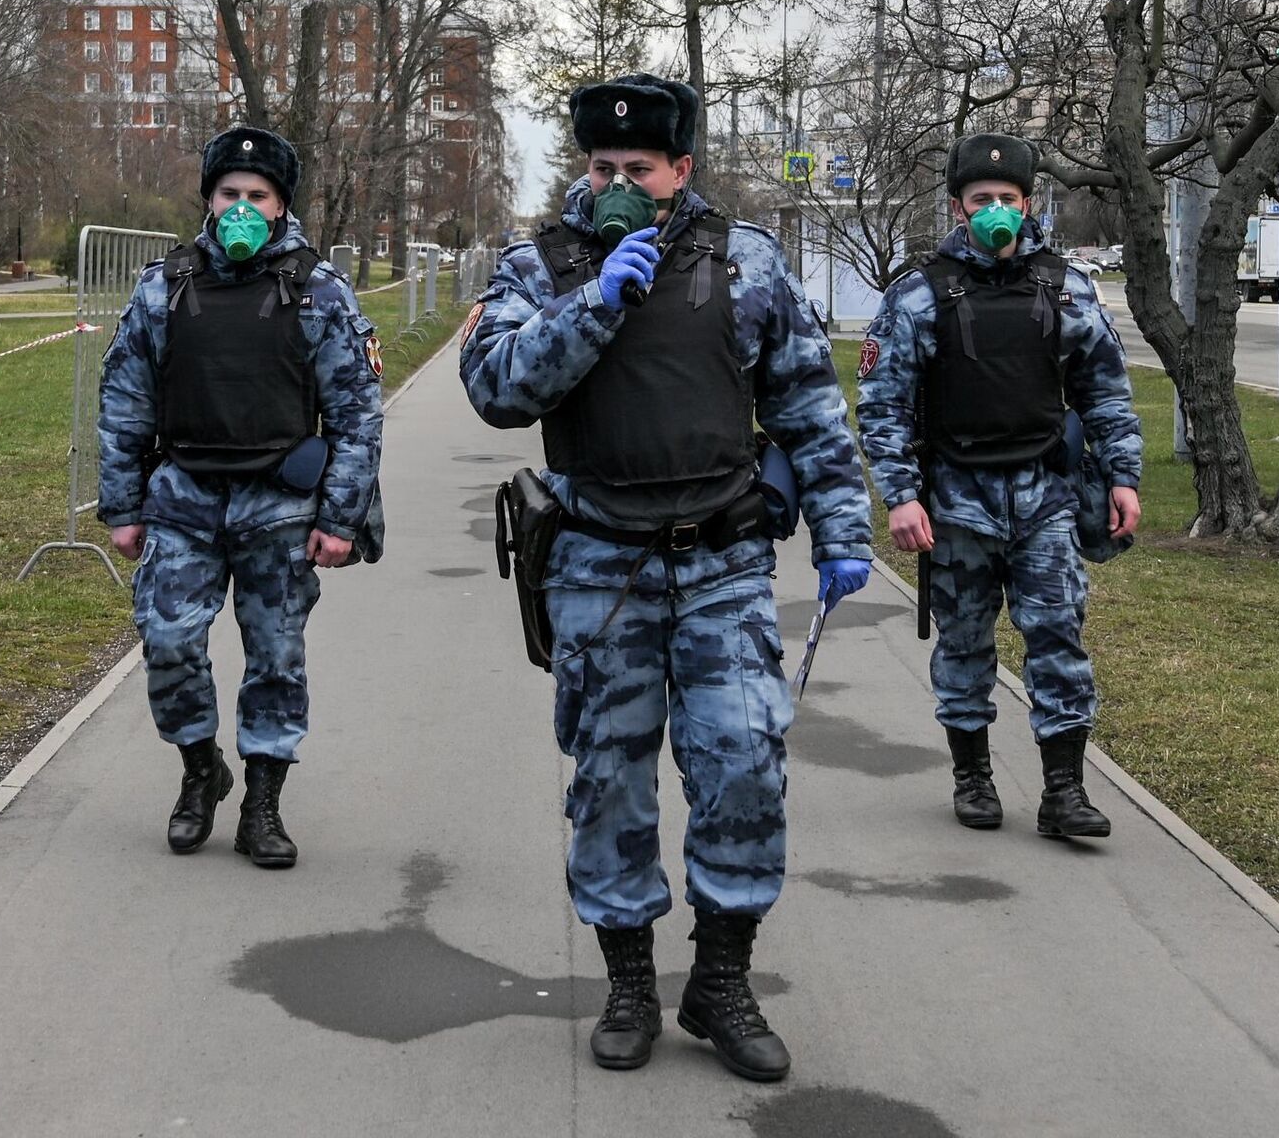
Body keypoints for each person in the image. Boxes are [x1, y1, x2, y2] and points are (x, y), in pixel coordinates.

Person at [460, 73, 873, 1084]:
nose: (614, 184)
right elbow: (496, 390)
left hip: (724, 560)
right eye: (600, 166)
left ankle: (721, 979)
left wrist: (841, 530)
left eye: (636, 169)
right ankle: (630, 982)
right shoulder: (541, 267)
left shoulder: (746, 264)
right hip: (600, 561)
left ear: (678, 170)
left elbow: (810, 405)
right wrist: (595, 304)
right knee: (609, 783)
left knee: (742, 765)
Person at [97, 124, 383, 869]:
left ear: (282, 205)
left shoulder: (319, 291)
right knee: (168, 644)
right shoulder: (165, 285)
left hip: (279, 509)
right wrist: (123, 507)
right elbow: (125, 398)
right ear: (209, 199)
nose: (242, 207)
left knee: (276, 661)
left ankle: (263, 801)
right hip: (183, 499)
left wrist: (341, 518)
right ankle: (200, 771)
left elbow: (356, 412)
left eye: (258, 195)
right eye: (230, 194)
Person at [856, 132, 1142, 839]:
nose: (995, 213)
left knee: (1058, 637)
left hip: (1045, 495)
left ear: (1028, 202)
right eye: (981, 201)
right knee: (964, 644)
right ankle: (973, 777)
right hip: (956, 500)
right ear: (958, 208)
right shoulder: (919, 296)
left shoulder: (1065, 287)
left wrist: (1123, 477)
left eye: (1007, 200)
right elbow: (883, 405)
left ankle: (1064, 793)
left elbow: (1105, 391)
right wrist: (901, 496)